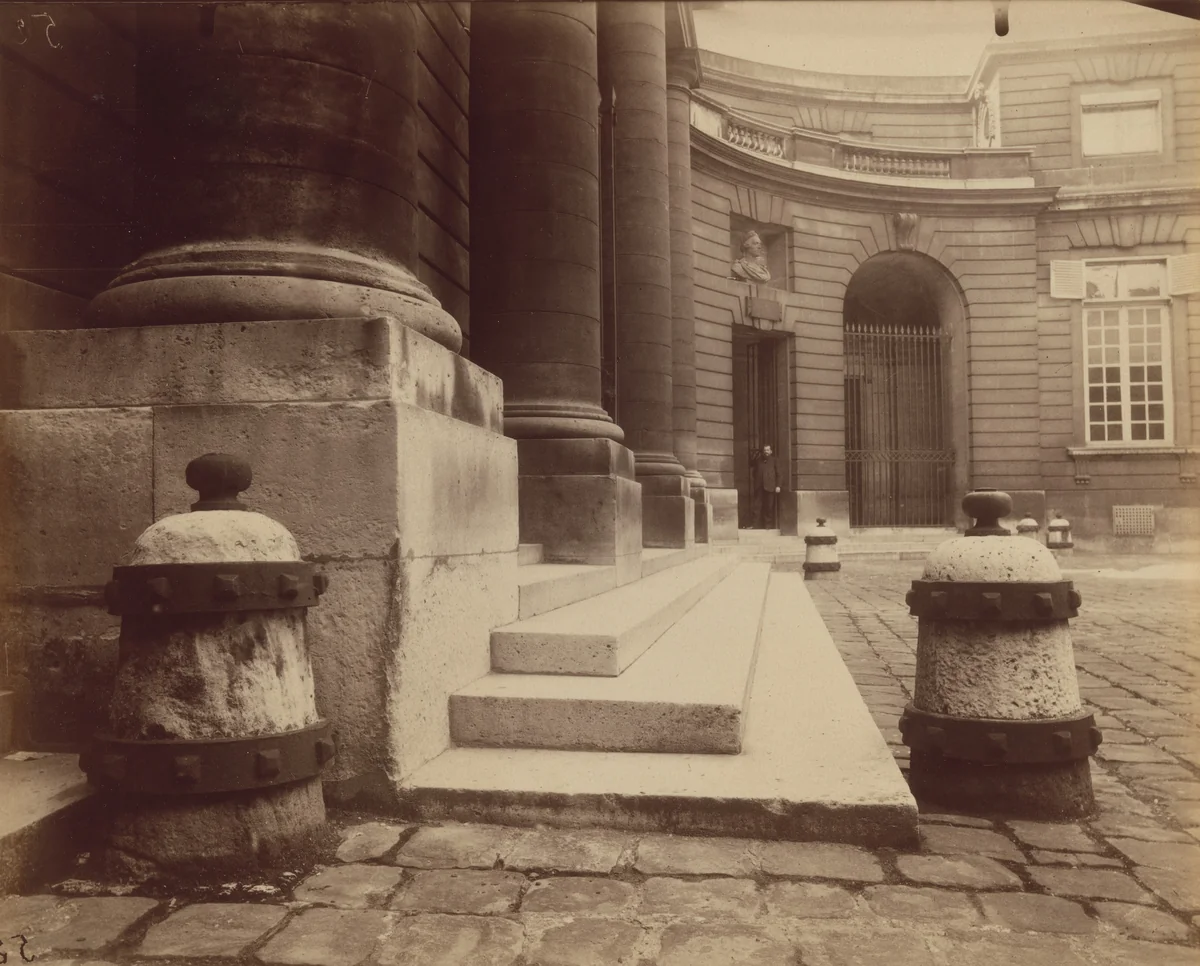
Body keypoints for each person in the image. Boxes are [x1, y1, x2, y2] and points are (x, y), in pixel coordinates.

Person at [753, 444, 781, 529]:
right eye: (765, 450)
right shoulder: (758, 461)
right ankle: (756, 525)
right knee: (757, 506)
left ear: (771, 451)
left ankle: (768, 526)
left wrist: (778, 486)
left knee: (769, 507)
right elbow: (754, 473)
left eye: (768, 450)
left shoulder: (775, 460)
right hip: (759, 487)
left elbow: (779, 474)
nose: (766, 452)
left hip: (770, 487)